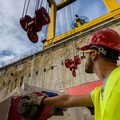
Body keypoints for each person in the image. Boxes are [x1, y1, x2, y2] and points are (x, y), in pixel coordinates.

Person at [26, 29, 120, 120]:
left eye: (85, 54)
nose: (83, 59)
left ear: (94, 54)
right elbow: (67, 100)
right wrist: (41, 100)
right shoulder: (99, 93)